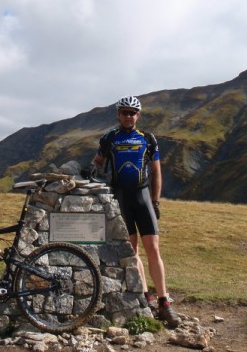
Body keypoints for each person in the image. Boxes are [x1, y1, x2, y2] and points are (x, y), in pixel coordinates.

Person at [89, 95, 180, 328]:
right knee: (133, 250)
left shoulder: (148, 139)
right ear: (118, 114)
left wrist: (156, 201)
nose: (128, 116)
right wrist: (90, 169)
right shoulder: (109, 138)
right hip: (120, 197)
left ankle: (164, 301)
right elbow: (98, 160)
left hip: (142, 198)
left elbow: (157, 172)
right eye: (124, 112)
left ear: (138, 115)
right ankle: (145, 295)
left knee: (154, 249)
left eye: (133, 112)